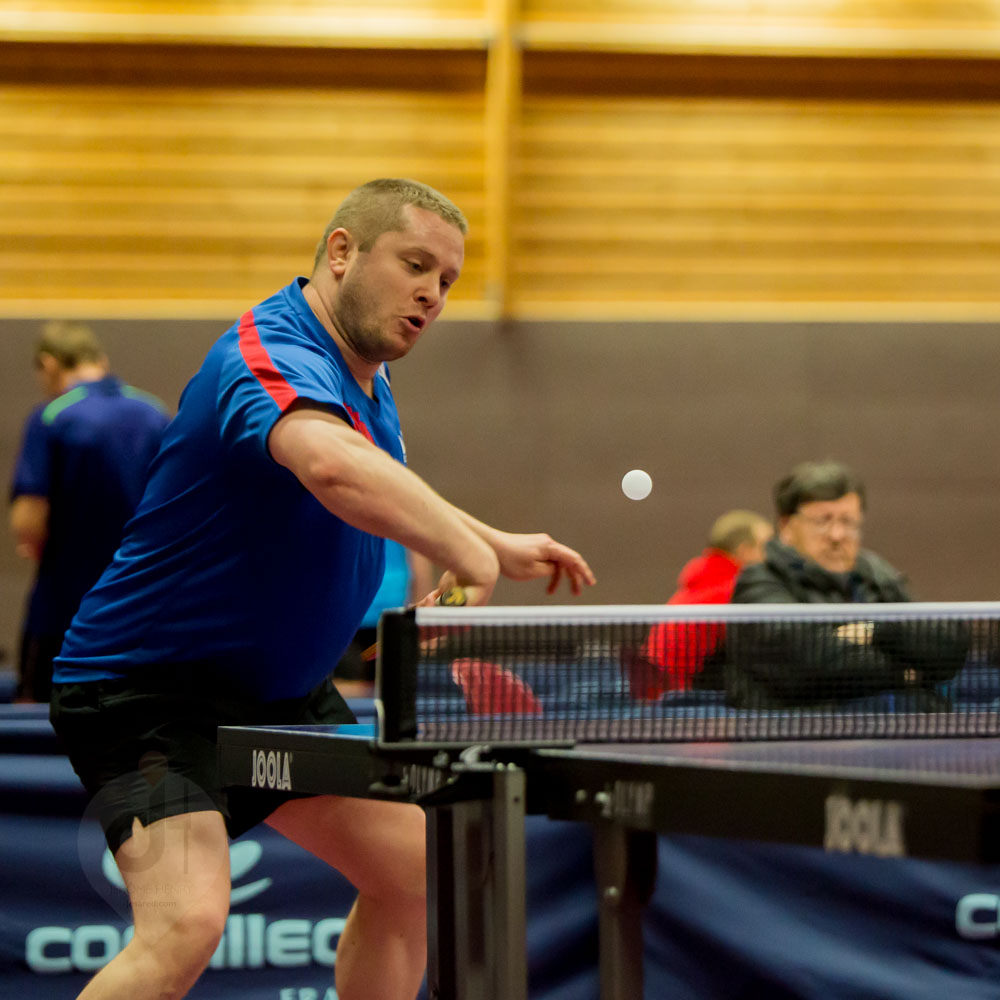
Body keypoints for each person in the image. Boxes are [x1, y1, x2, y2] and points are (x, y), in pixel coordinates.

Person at [48, 178, 596, 1000]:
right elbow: (332, 466)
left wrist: (489, 542)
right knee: (185, 925)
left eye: (448, 280)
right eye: (415, 265)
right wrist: (466, 555)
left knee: (415, 873)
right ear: (342, 252)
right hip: (144, 693)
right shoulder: (267, 352)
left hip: (278, 693)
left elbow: (375, 472)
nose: (433, 294)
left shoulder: (365, 378)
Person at [8, 321, 169, 702]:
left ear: (49, 364)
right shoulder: (155, 413)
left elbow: (28, 519)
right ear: (101, 361)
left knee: (39, 717)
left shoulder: (52, 416)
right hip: (141, 612)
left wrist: (34, 541)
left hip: (63, 612)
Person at [726, 460, 966, 708]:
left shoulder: (877, 575)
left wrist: (875, 632)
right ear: (786, 526)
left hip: (898, 723)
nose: (837, 535)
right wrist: (906, 672)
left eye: (848, 521)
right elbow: (812, 663)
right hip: (799, 729)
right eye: (822, 521)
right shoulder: (759, 582)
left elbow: (947, 646)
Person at [625, 510, 772, 699]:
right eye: (768, 546)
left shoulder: (701, 580)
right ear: (745, 550)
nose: (773, 554)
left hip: (657, 695)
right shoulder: (734, 591)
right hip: (681, 702)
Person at [332, 540, 433, 698]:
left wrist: (421, 622)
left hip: (390, 619)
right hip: (349, 619)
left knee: (388, 690)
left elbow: (420, 566)